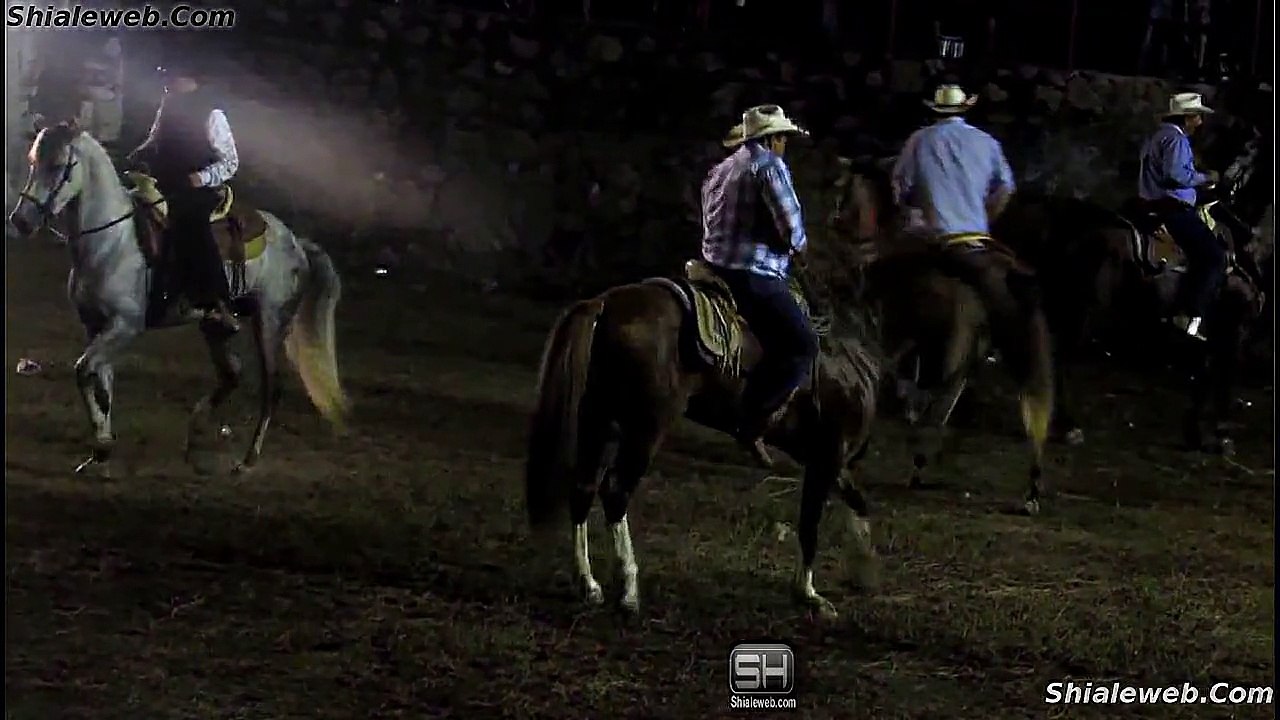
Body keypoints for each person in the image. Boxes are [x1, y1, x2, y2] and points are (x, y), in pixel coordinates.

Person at [700, 104, 819, 467]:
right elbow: (790, 229)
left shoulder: (719, 171)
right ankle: (751, 419)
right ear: (775, 138)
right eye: (784, 138)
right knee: (802, 345)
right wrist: (800, 246)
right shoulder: (770, 166)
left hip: (713, 266)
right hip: (754, 272)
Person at [128, 61, 240, 332]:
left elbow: (231, 162)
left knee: (189, 225)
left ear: (189, 79)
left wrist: (200, 178)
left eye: (171, 76)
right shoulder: (167, 106)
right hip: (165, 183)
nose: (166, 82)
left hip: (197, 190)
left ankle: (217, 302)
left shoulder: (212, 115)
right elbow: (154, 140)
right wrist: (136, 155)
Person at [890, 85, 1020, 312]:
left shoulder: (919, 139)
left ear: (936, 112)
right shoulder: (987, 141)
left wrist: (909, 209)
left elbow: (900, 186)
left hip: (931, 238)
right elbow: (1006, 188)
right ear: (964, 111)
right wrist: (984, 219)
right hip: (975, 238)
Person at [1137, 92, 1224, 340]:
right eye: (1197, 117)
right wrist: (1207, 178)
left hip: (1150, 204)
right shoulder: (1175, 140)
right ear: (1187, 117)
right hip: (1172, 209)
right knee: (1213, 257)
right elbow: (1176, 175)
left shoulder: (1157, 136)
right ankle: (1188, 312)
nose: (1199, 122)